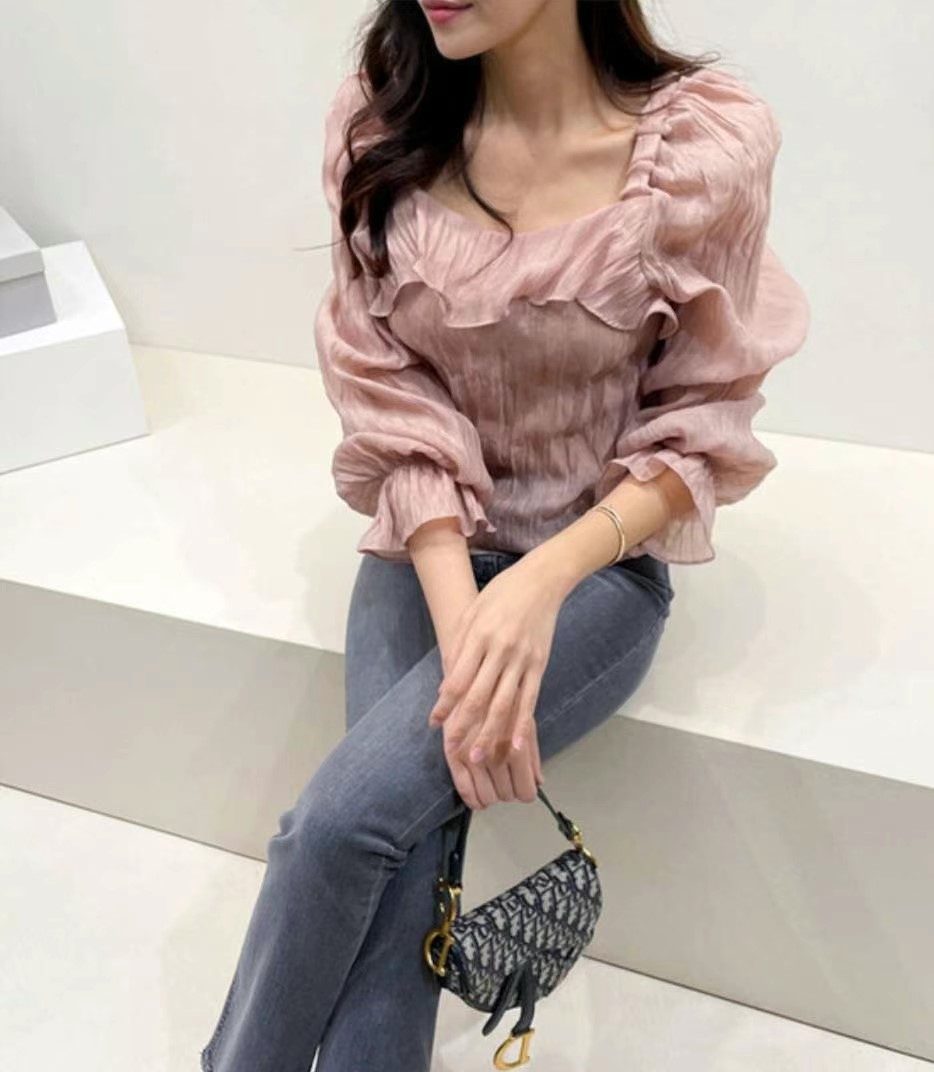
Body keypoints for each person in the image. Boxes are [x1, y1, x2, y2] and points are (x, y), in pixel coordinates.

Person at [200, 1, 810, 1069]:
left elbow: (701, 421)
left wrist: (537, 585)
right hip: (426, 541)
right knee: (389, 840)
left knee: (339, 827)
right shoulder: (383, 127)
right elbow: (389, 398)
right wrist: (467, 624)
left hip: (598, 569)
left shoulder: (700, 152)